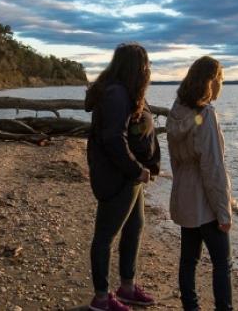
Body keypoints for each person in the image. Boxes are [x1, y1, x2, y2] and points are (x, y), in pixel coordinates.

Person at [84, 43, 161, 311]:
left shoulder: (126, 91)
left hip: (131, 176)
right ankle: (101, 298)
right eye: (146, 64)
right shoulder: (116, 94)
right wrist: (136, 169)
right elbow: (113, 139)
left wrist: (145, 167)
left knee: (134, 227)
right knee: (105, 236)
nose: (148, 69)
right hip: (118, 176)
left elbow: (135, 130)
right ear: (135, 66)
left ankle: (127, 287)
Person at [166, 56, 233, 311]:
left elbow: (174, 158)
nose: (221, 86)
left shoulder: (178, 110)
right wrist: (223, 211)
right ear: (211, 82)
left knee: (189, 260)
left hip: (184, 192)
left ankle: (190, 307)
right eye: (221, 81)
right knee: (222, 262)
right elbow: (213, 167)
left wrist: (180, 187)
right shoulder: (205, 115)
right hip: (205, 200)